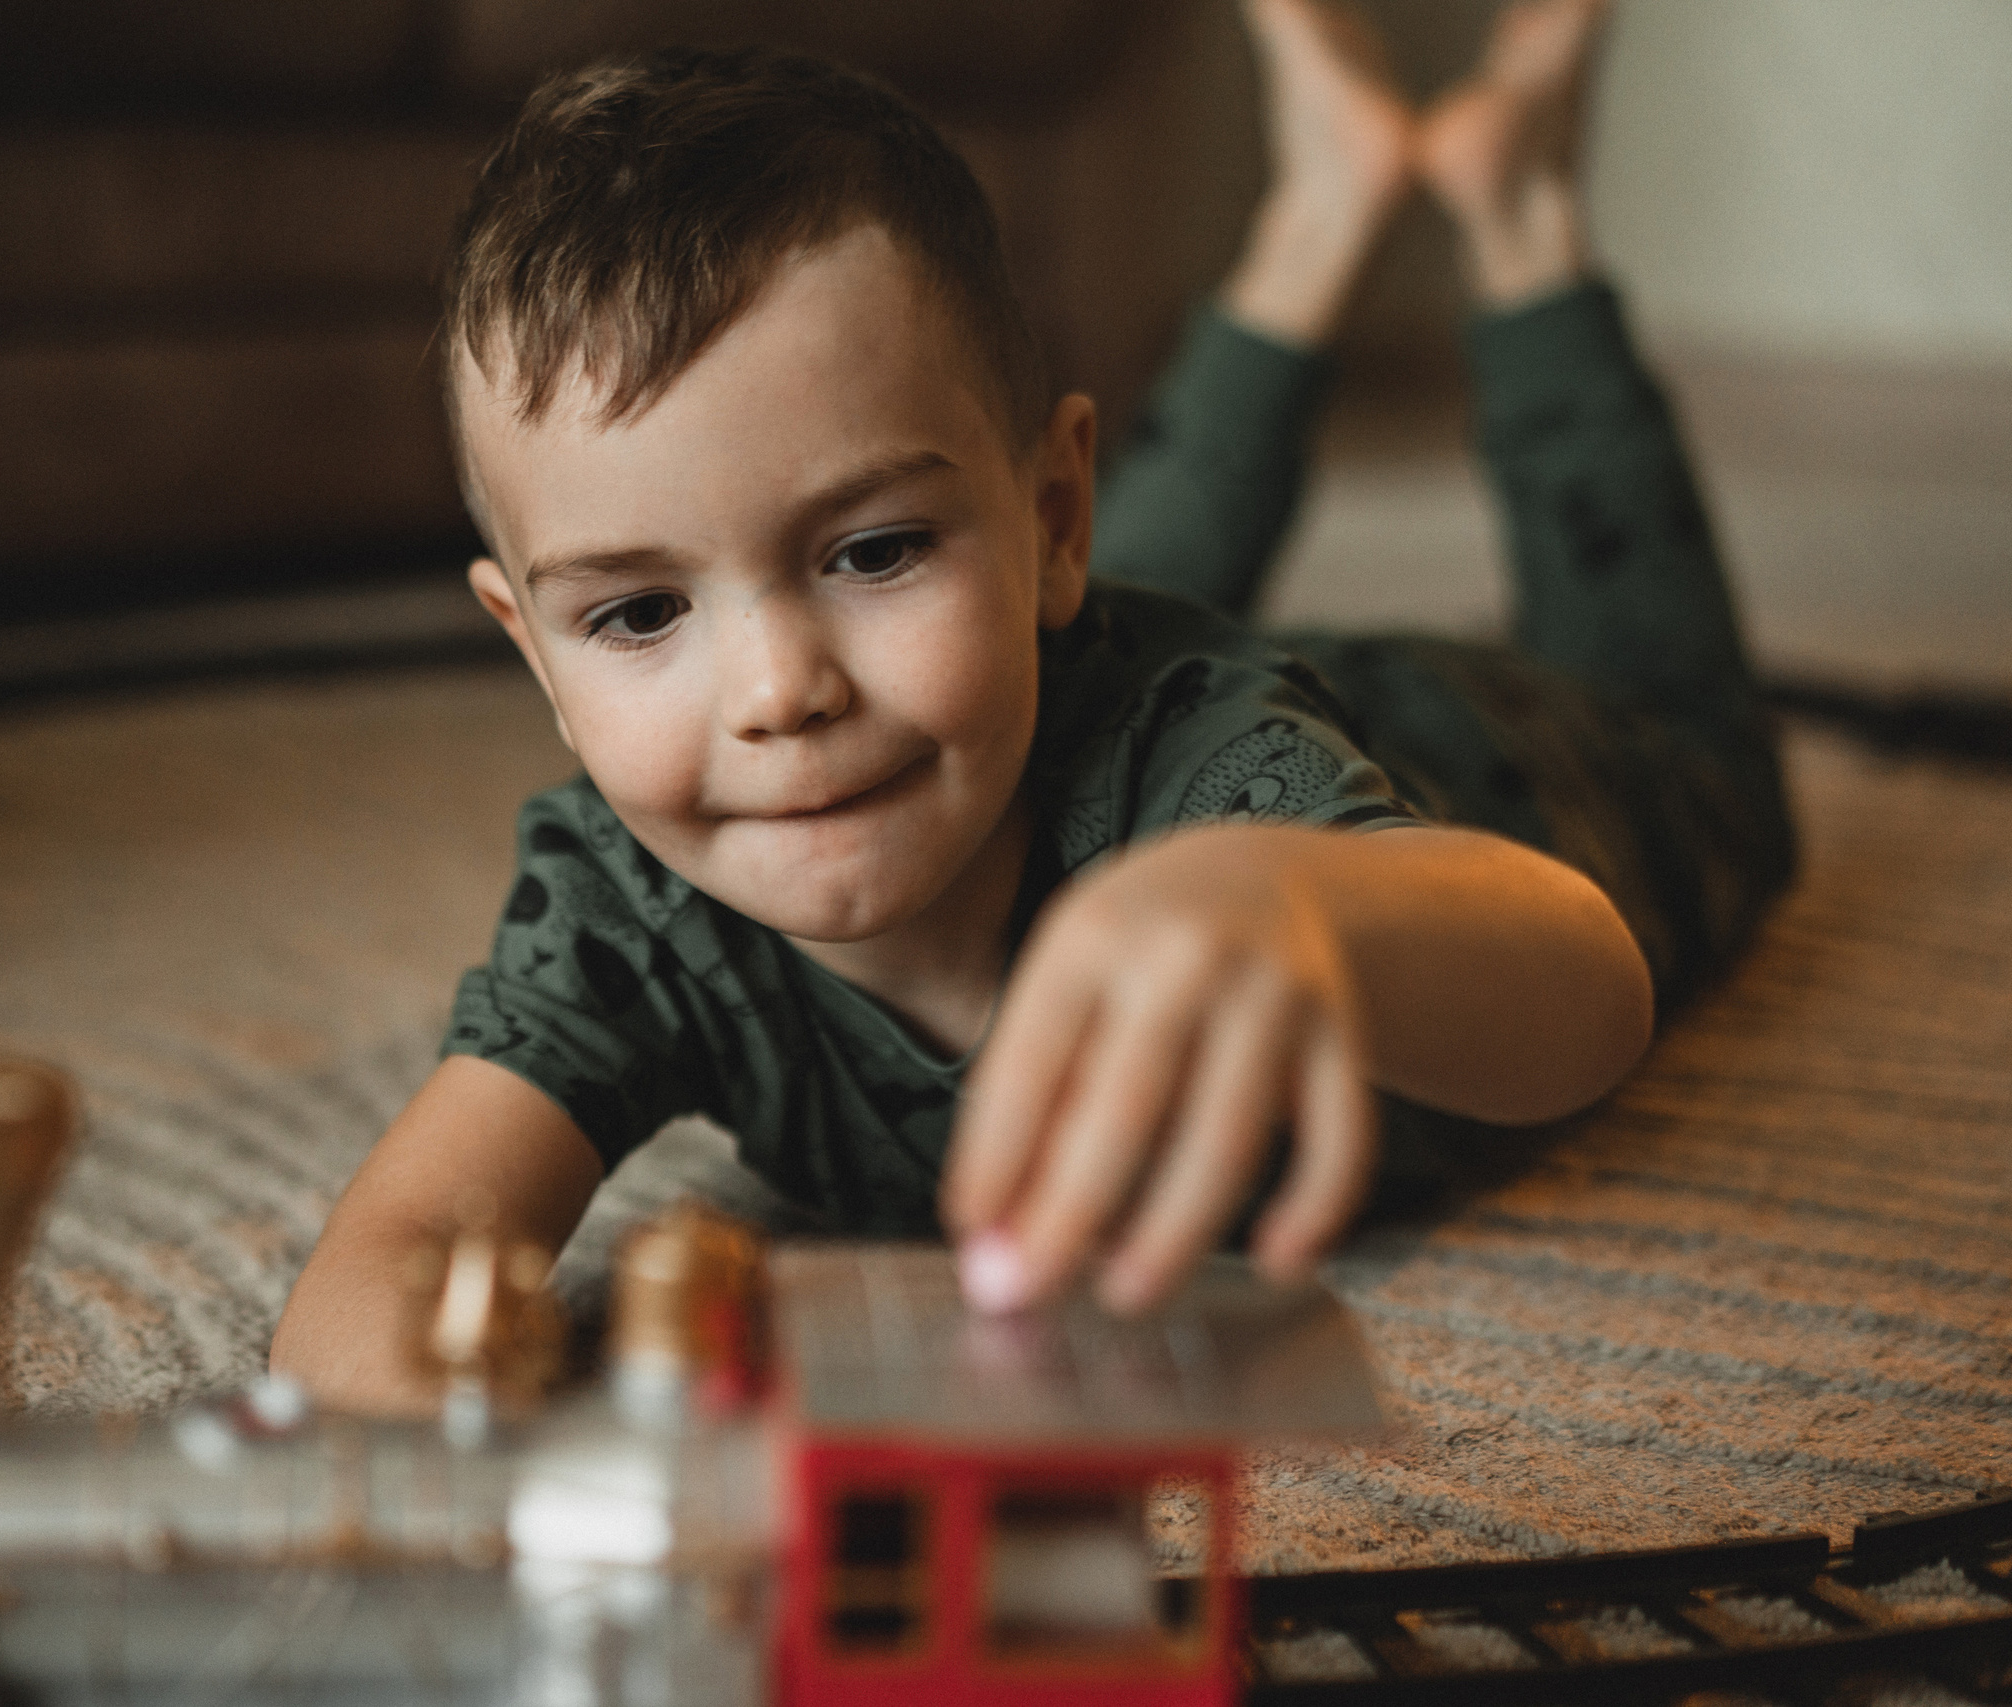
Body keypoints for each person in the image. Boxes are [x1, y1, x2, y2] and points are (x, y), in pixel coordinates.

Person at [269, 0, 1794, 1412]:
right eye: (638, 613)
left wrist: (1299, 904)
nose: (779, 692)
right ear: (535, 654)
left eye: (871, 549)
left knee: (1692, 739)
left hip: (1512, 760)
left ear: (1061, 512)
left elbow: (1590, 988)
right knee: (1004, 613)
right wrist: (460, 1446)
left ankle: (1523, 216)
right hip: (1060, 669)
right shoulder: (631, 910)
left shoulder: (1208, 770)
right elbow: (380, 1273)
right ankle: (1319, 212)